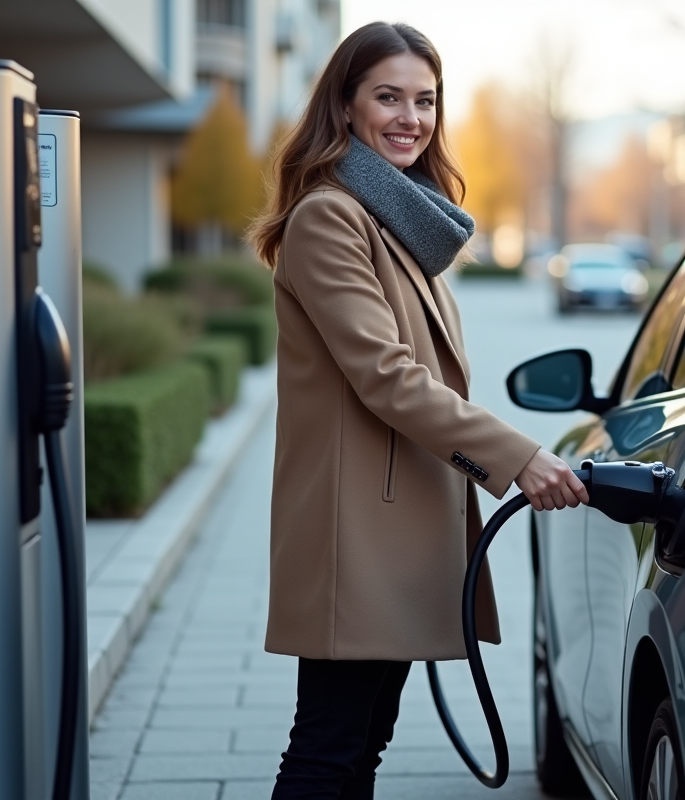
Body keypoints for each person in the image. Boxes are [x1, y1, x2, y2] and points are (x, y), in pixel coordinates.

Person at [247, 21, 590, 800]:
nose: (410, 117)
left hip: (397, 524)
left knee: (361, 746)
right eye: (388, 97)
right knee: (331, 749)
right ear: (346, 105)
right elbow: (387, 378)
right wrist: (519, 457)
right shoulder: (331, 218)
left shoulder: (399, 220)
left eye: (425, 100)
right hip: (358, 533)